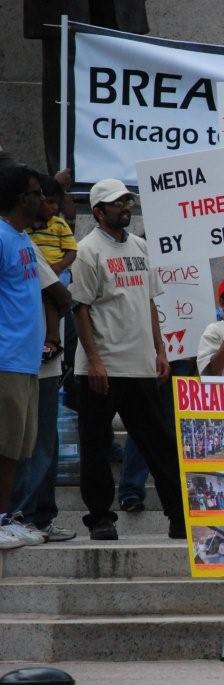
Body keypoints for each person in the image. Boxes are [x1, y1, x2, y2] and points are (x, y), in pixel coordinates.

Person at [69, 178, 186, 541]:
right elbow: (80, 309)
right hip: (102, 367)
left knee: (160, 442)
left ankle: (179, 515)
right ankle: (101, 517)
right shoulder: (87, 251)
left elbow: (149, 302)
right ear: (99, 211)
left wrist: (161, 350)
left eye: (128, 201)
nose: (126, 207)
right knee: (97, 444)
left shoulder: (140, 246)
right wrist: (95, 361)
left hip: (140, 364)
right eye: (118, 203)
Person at [9, 241, 76, 544]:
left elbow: (59, 296)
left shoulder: (22, 243)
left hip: (35, 364)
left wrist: (50, 337)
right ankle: (23, 515)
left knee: (38, 445)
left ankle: (31, 516)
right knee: (29, 444)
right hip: (18, 362)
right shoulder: (14, 240)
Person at [0, 165, 52, 549]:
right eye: (36, 193)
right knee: (3, 445)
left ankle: (7, 515)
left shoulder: (21, 238)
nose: (42, 199)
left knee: (17, 448)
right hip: (6, 359)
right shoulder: (1, 238)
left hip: (26, 361)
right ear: (22, 199)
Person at [27, 175, 76, 361]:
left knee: (50, 298)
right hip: (41, 275)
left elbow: (72, 250)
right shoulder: (27, 228)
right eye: (49, 202)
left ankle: (53, 341)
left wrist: (59, 267)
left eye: (57, 203)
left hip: (59, 273)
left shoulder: (59, 224)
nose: (55, 208)